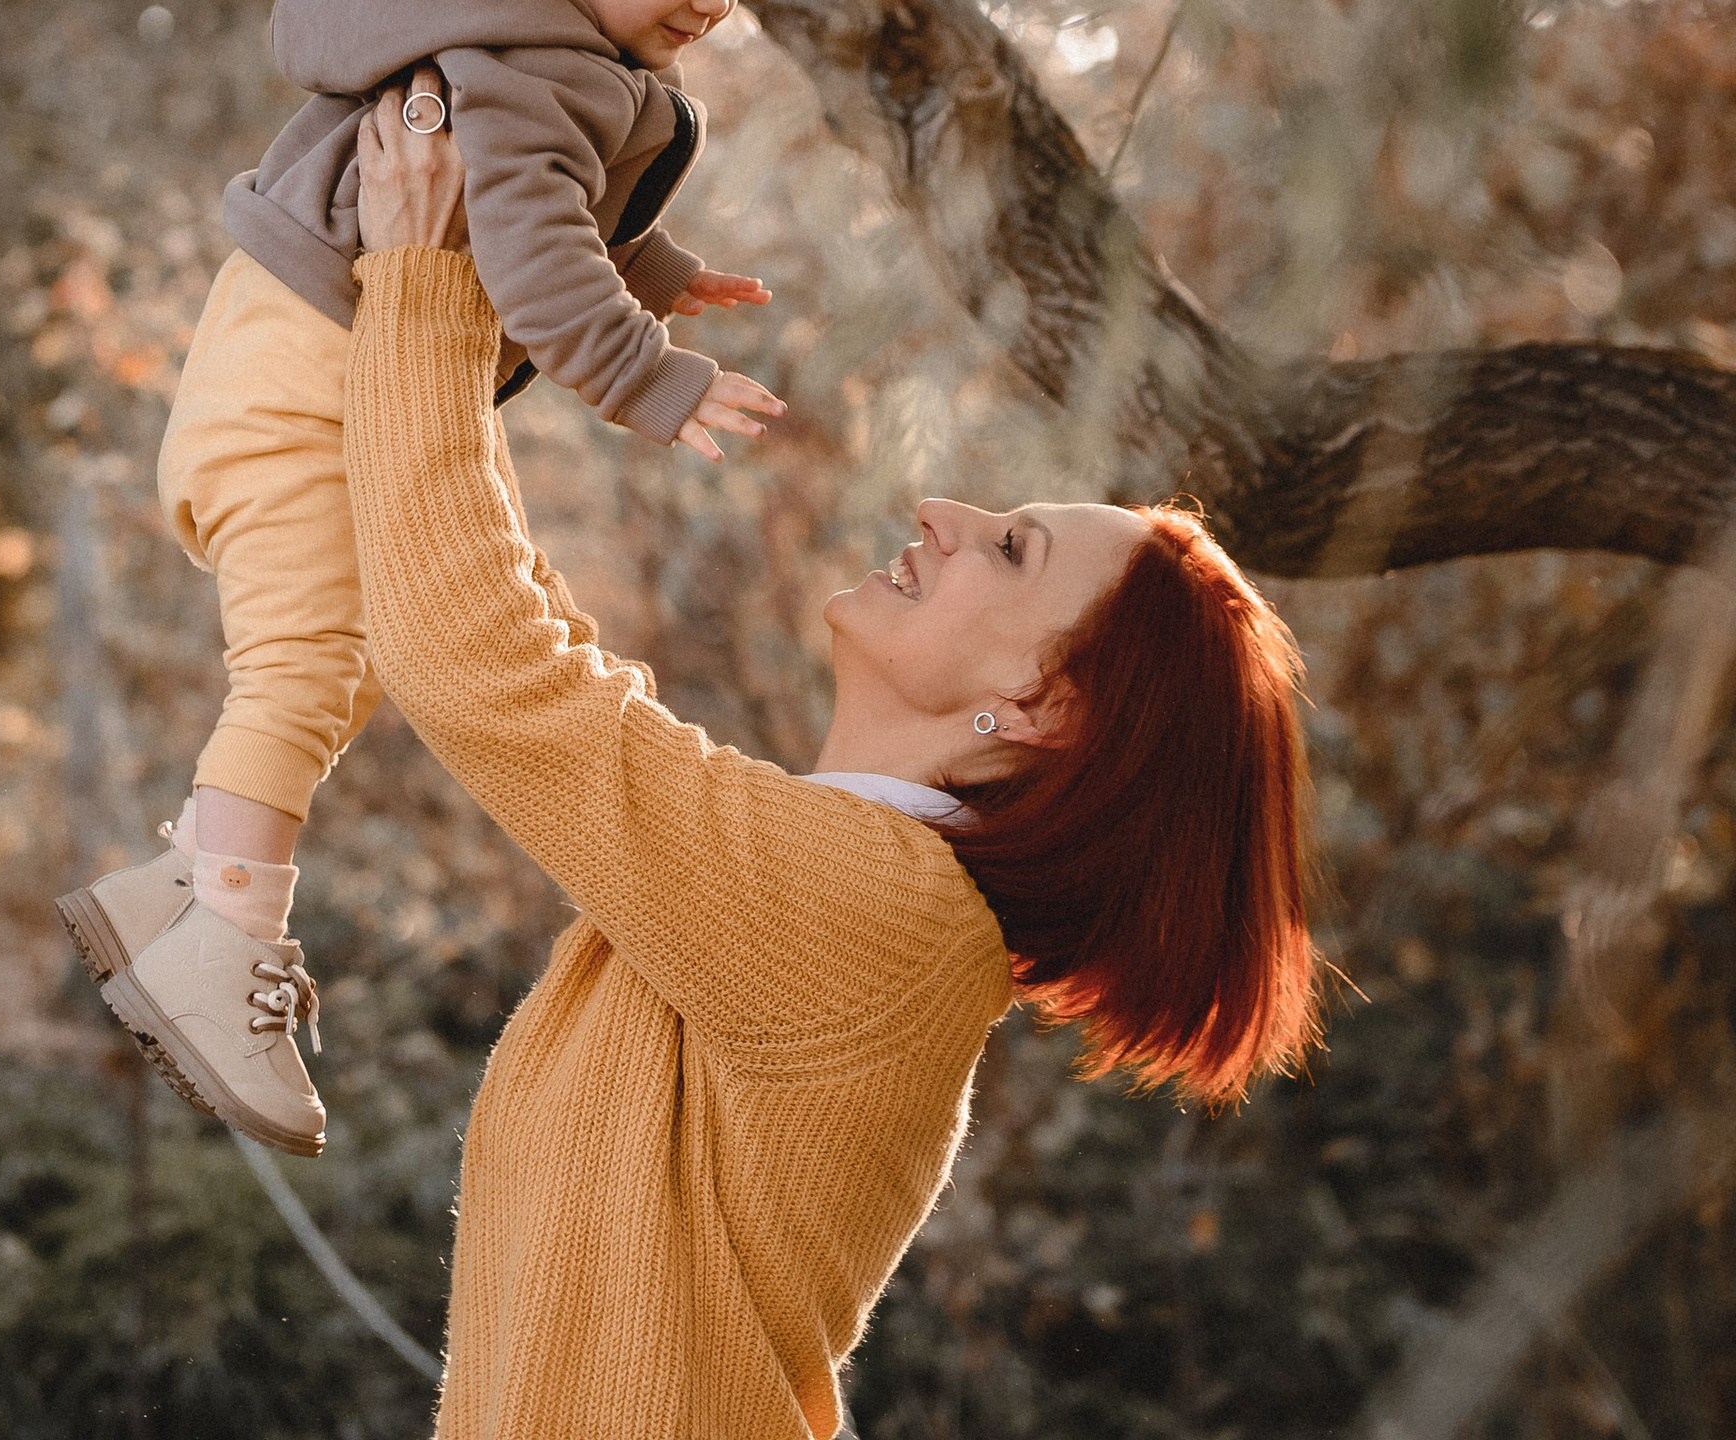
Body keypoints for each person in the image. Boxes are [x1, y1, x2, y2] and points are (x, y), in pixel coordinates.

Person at [337, 74, 1320, 1439]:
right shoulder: (829, 889)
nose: (944, 511)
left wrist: (422, 285)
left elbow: (484, 664)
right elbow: (535, 652)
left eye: (1011, 548)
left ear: (1042, 704)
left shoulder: (879, 917)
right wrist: (490, 277)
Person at [58, 0, 791, 1154]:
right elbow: (531, 253)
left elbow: (544, 211)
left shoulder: (521, 50)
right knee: (307, 665)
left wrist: (653, 265)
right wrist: (648, 371)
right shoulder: (522, 68)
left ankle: (185, 891)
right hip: (298, 388)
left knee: (332, 668)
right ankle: (218, 943)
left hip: (289, 371)